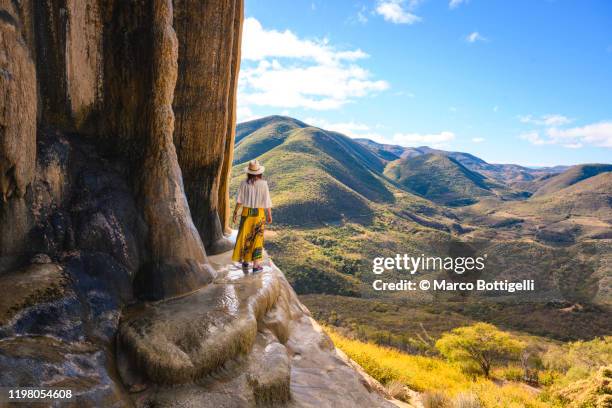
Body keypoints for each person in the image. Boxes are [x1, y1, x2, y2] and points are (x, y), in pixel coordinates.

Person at [231, 159, 273, 273]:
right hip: (258, 214)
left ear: (248, 172)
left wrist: (235, 213)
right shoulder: (263, 184)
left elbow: (239, 200)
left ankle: (245, 262)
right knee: (257, 238)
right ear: (259, 172)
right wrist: (269, 215)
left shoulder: (243, 183)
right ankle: (256, 266)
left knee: (245, 236)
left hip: (246, 214)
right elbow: (267, 201)